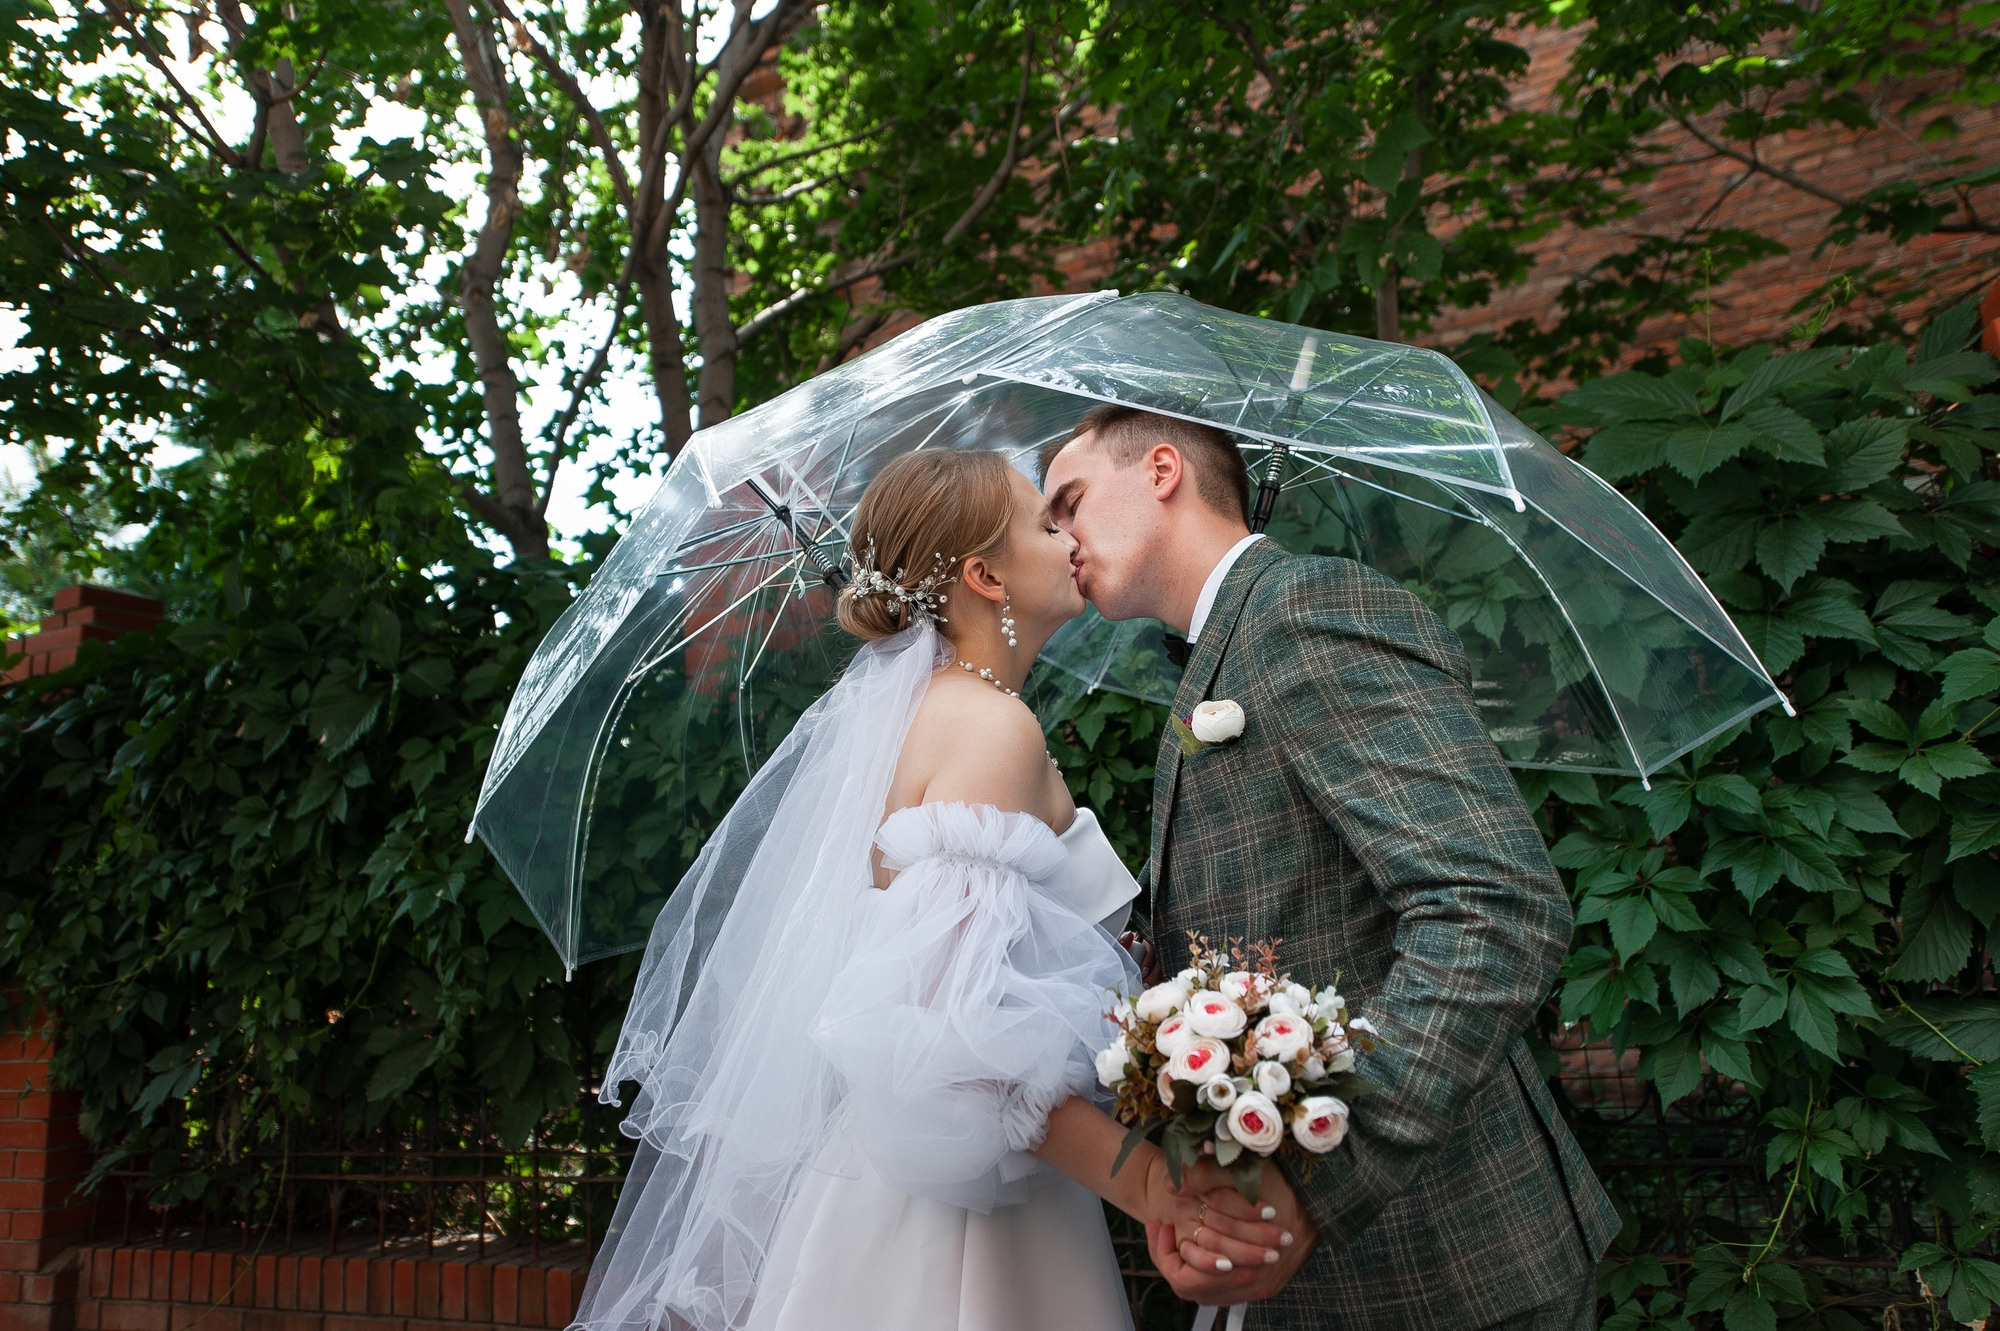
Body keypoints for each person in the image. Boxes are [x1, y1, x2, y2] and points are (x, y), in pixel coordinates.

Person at [570, 448, 1285, 1331]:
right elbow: (959, 1036)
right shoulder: (991, 728)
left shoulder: (948, 714)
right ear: (985, 574)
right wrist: (1148, 1183)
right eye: (1041, 521)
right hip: (959, 1223)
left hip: (954, 1184)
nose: (1067, 536)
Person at [1041, 405, 1619, 1331]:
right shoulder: (1214, 658)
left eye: (1068, 501)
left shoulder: (1304, 610)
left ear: (1160, 469)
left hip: (1444, 1265)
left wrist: (1317, 1180)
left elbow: (1494, 907)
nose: (1057, 535)